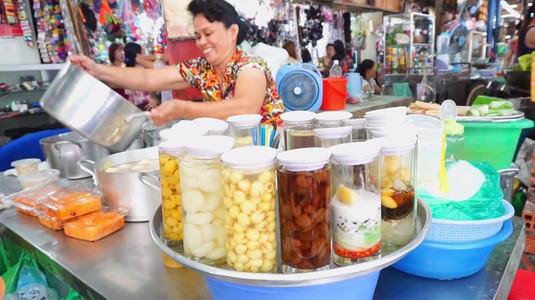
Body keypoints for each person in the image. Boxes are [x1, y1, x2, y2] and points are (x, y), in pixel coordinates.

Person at [69, 0, 284, 126]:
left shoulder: (250, 66)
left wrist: (184, 109)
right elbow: (147, 78)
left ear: (233, 32)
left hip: (266, 159)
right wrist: (97, 70)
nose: (202, 42)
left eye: (208, 33)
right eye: (198, 36)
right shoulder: (201, 69)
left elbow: (245, 108)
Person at [123, 42, 152, 111]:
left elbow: (128, 93)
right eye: (142, 52)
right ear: (138, 55)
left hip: (135, 106)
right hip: (149, 104)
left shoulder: (126, 72)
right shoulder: (146, 68)